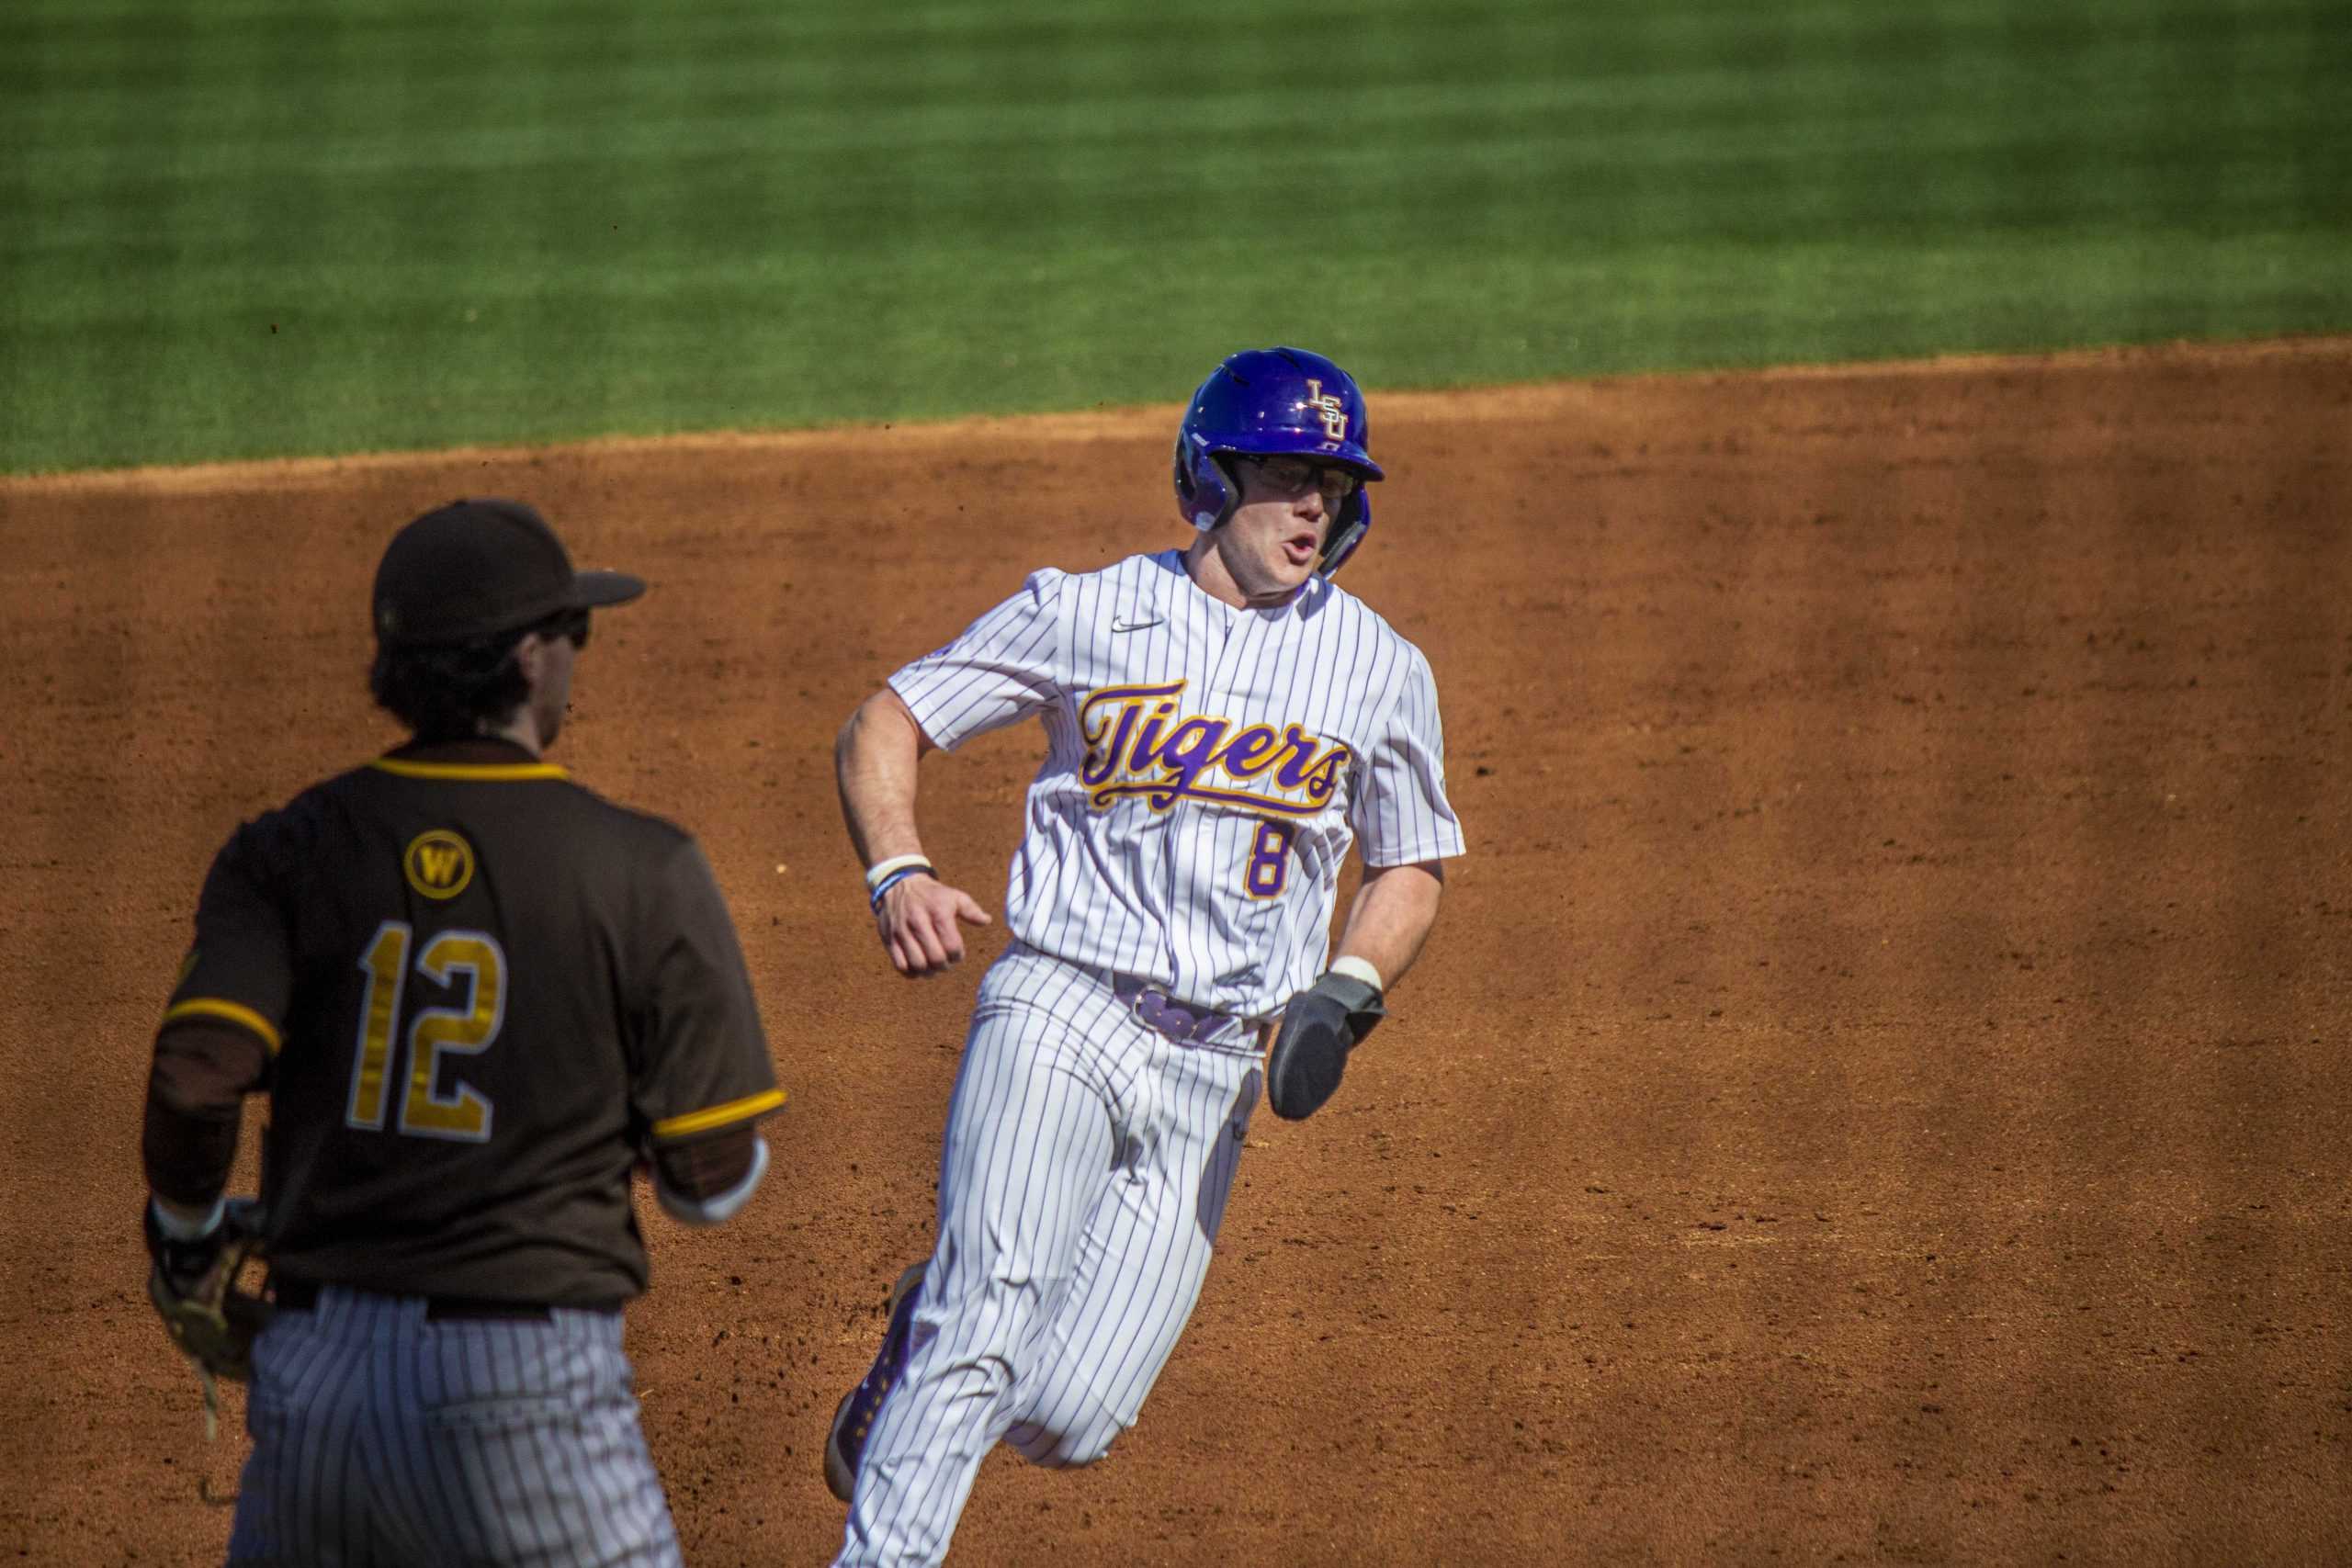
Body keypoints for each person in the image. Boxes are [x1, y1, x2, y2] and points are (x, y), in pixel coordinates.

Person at [825, 346, 1466, 1563]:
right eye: (1285, 473)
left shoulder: (1380, 668)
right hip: (1060, 1006)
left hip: (1214, 1067)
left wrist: (1351, 985)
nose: (1312, 504)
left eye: (1332, 480)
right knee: (990, 1320)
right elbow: (889, 719)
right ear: (1210, 479)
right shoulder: (1087, 610)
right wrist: (897, 867)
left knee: (1071, 1414)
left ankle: (913, 1332)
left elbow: (1412, 863)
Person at [140, 497, 785, 1566]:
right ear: (530, 661)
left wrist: (189, 1235)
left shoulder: (291, 847)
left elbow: (196, 1081)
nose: (577, 658)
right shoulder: (640, 866)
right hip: (526, 1397)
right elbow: (710, 1179)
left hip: (317, 1386)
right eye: (572, 634)